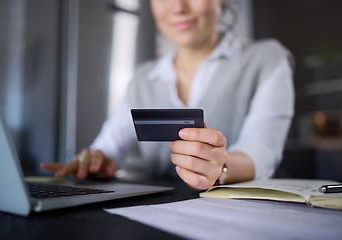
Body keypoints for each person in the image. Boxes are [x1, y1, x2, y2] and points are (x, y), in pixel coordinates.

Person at [41, 0, 294, 190]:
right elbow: (109, 148)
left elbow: (261, 150)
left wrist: (220, 167)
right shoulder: (142, 79)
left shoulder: (268, 60)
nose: (178, 7)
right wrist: (96, 161)